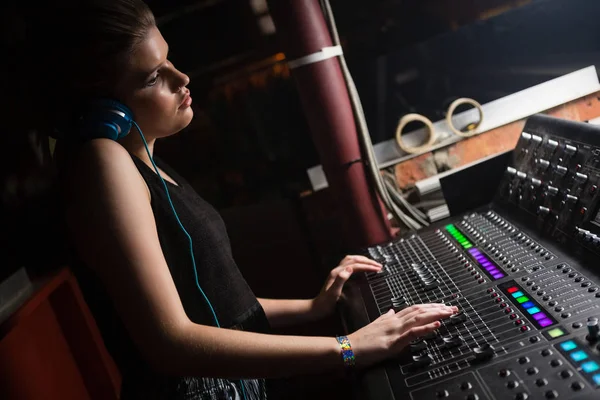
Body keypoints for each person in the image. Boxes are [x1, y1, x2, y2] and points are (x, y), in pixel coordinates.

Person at [28, 1, 458, 399]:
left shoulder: (147, 164)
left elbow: (220, 307)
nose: (182, 79)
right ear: (105, 113)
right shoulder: (104, 163)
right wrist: (348, 348)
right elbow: (171, 342)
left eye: (169, 60)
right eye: (153, 77)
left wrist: (313, 307)